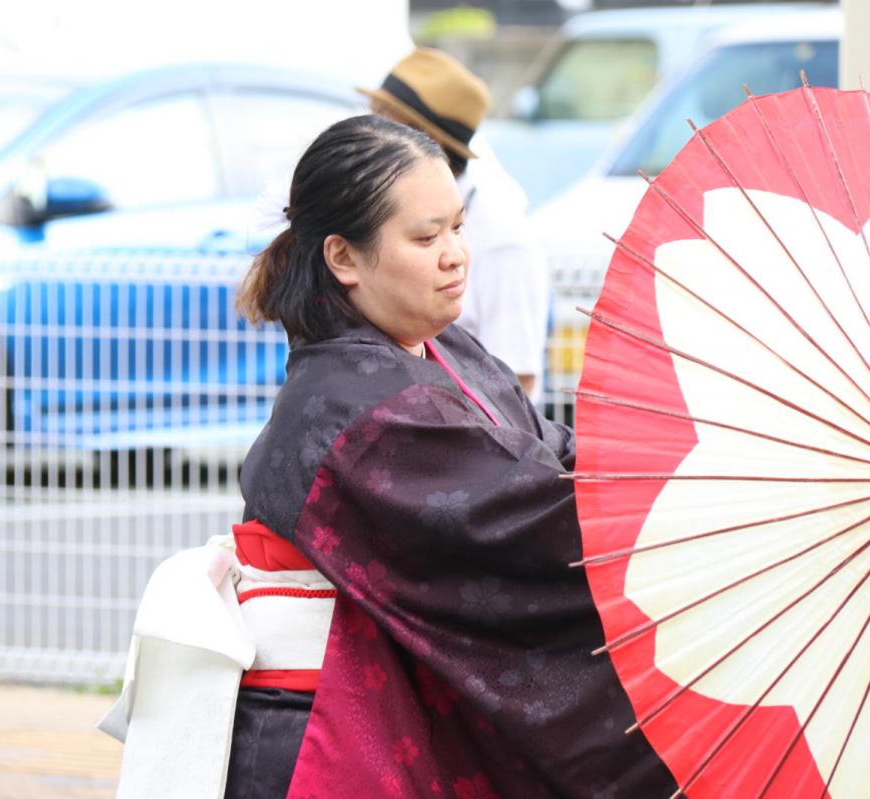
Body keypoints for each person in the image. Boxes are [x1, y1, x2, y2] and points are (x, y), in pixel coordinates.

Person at [103, 115, 675, 798]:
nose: (456, 254)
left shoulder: (444, 348)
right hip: (320, 736)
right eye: (426, 237)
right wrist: (685, 503)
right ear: (343, 257)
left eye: (459, 228)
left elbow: (550, 453)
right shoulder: (359, 410)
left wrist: (663, 456)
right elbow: (533, 519)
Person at [361, 47, 550, 403]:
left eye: (384, 121)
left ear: (419, 140)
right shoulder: (386, 214)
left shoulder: (502, 236)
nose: (369, 135)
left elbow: (516, 380)